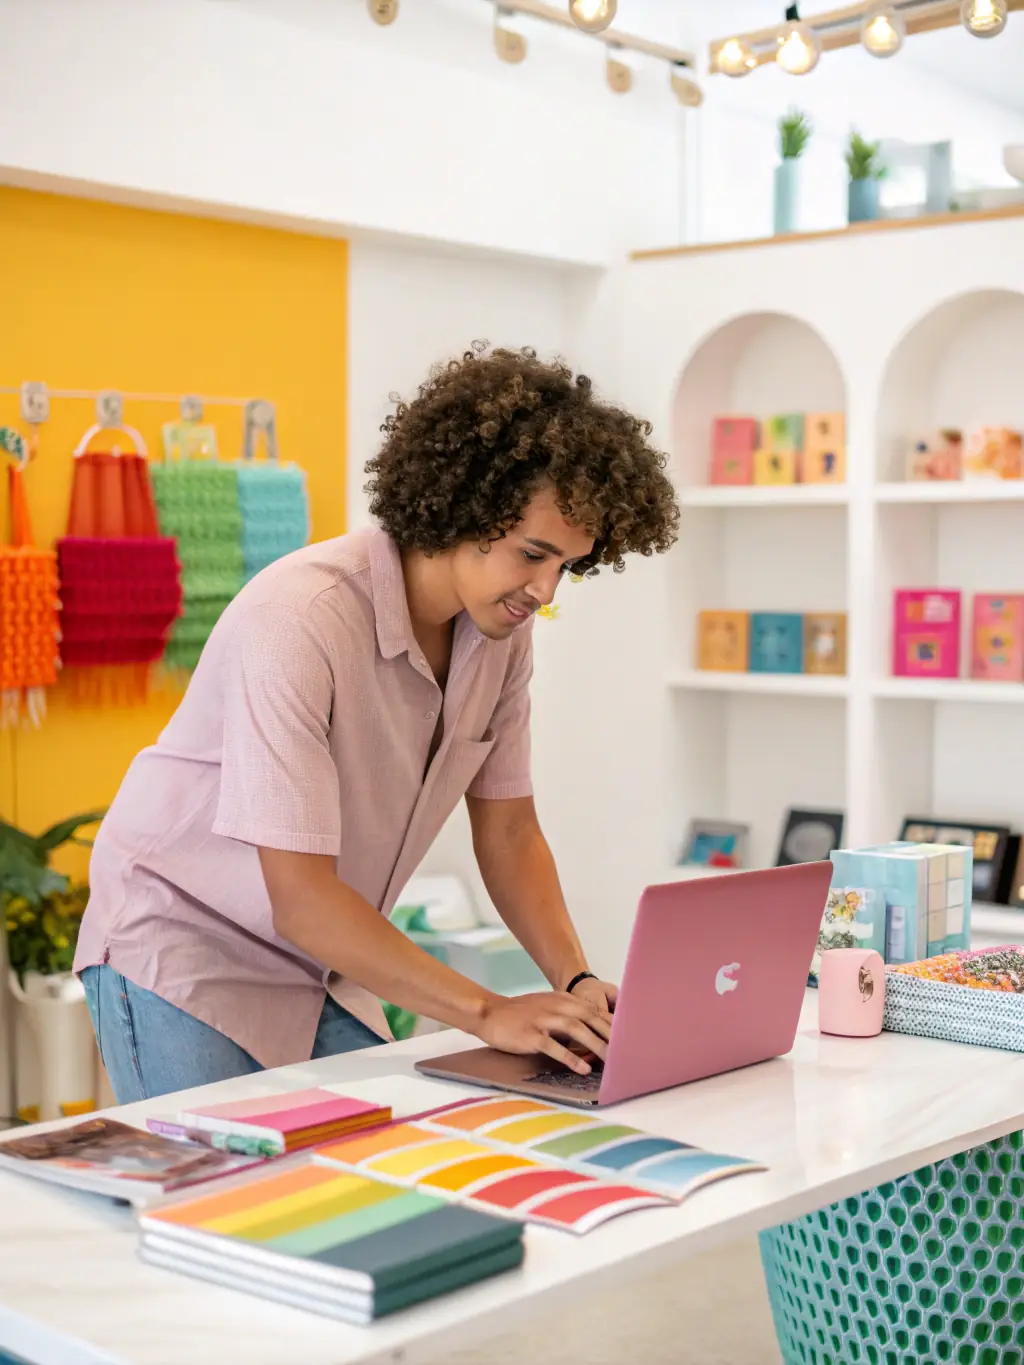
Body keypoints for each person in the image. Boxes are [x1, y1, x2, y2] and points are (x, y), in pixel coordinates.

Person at [74, 345, 680, 1102]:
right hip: (187, 940)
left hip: (323, 955)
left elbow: (509, 833)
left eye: (568, 566)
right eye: (534, 554)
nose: (546, 589)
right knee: (220, 1201)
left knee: (365, 1179)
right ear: (464, 503)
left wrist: (576, 978)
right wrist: (489, 1010)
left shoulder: (500, 636)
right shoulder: (299, 618)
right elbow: (298, 895)